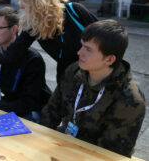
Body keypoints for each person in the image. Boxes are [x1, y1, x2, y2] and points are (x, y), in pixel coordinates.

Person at [41, 19, 145, 157]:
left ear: (109, 60)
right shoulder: (75, 71)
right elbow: (51, 111)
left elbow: (110, 154)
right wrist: (39, 142)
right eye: (82, 46)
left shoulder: (130, 100)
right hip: (64, 144)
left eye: (88, 50)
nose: (79, 53)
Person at [0, 7, 50, 122]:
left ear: (14, 29)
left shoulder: (32, 59)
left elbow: (28, 103)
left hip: (29, 112)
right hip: (0, 108)